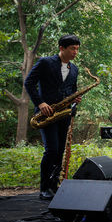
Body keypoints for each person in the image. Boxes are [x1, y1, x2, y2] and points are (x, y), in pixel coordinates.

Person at [24, 34, 81, 200]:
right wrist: (40, 103)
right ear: (62, 48)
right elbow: (29, 83)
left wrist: (75, 98)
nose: (75, 52)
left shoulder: (74, 69)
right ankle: (44, 188)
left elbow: (71, 90)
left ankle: (54, 186)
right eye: (72, 48)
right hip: (46, 114)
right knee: (51, 150)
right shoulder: (45, 62)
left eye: (77, 49)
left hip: (63, 114)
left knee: (60, 151)